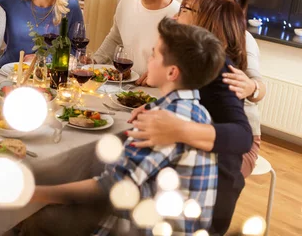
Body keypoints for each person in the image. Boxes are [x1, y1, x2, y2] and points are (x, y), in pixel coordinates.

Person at [19, 18, 225, 236]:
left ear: (172, 73)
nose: (149, 58)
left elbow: (110, 187)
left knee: (36, 219)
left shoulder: (163, 122)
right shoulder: (198, 111)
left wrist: (33, 193)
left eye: (154, 54)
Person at [128, 0, 254, 234]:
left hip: (208, 194)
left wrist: (178, 129)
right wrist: (156, 107)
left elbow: (242, 136)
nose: (175, 15)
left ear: (206, 21)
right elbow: (198, 103)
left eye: (185, 9)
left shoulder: (222, 70)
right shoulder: (201, 64)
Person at [199, 0, 266, 176]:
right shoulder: (197, 32)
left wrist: (252, 87)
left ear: (228, 2)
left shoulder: (244, 40)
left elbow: (260, 87)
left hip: (240, 142)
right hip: (203, 128)